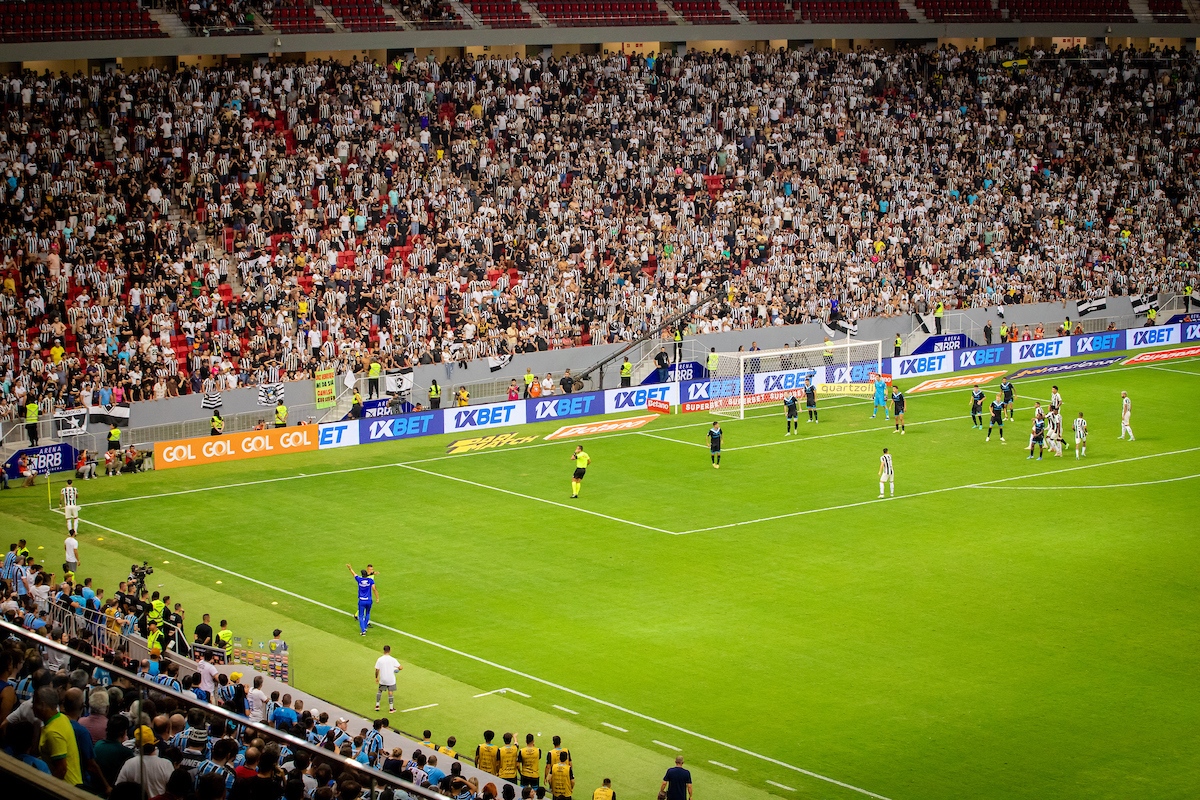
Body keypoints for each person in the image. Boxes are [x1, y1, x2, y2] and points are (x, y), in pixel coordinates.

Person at [33, 685, 82, 786]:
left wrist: (47, 787)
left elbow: (61, 770)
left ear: (42, 705)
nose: (32, 706)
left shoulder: (53, 733)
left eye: (34, 703)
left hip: (65, 788)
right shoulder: (62, 718)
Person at [347, 564, 378, 635]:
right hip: (369, 600)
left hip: (362, 601)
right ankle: (365, 627)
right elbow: (374, 589)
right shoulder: (370, 580)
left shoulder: (359, 580)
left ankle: (363, 631)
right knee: (367, 613)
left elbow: (354, 574)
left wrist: (350, 568)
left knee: (361, 616)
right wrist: (377, 598)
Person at [374, 644, 401, 713]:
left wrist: (376, 677)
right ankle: (391, 709)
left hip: (383, 678)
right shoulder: (392, 659)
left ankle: (377, 706)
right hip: (391, 679)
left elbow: (377, 669)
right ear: (390, 650)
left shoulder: (380, 659)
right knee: (390, 692)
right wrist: (396, 669)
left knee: (379, 690)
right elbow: (400, 667)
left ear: (383, 650)